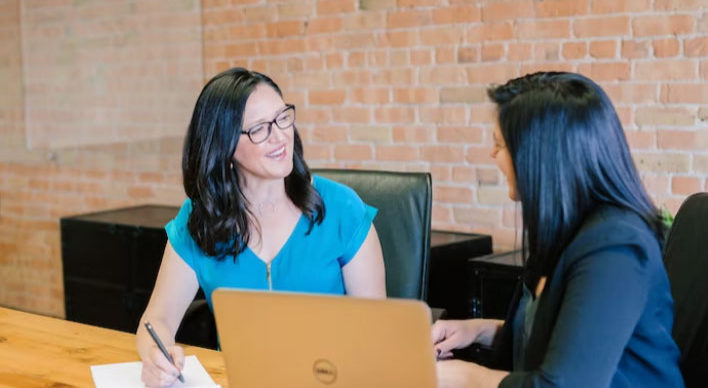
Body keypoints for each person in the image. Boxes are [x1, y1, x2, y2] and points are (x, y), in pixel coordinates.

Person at [136, 68, 386, 387]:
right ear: (224, 147)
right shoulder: (199, 220)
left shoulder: (342, 209)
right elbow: (156, 320)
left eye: (283, 118)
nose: (280, 136)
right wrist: (156, 359)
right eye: (259, 129)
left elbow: (377, 333)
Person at [432, 72, 685, 387]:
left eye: (500, 144)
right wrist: (479, 331)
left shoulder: (615, 247)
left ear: (541, 155)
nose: (492, 154)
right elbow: (559, 332)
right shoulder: (564, 229)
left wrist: (469, 377)